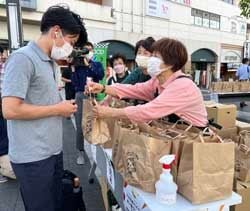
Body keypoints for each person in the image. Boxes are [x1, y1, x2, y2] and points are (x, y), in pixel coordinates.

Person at [1, 5, 87, 211]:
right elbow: (10, 109)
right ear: (56, 31)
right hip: (33, 158)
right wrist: (58, 109)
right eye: (71, 41)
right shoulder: (23, 58)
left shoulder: (49, 62)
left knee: (55, 204)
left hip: (51, 153)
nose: (70, 48)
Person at [86, 38, 208, 127]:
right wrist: (103, 87)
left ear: (171, 63)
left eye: (156, 57)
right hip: (178, 134)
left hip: (194, 138)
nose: (151, 60)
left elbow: (148, 110)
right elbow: (134, 89)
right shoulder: (157, 80)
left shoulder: (182, 86)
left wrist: (112, 112)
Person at [71, 41, 104, 165]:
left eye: (89, 50)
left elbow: (99, 76)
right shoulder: (78, 65)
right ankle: (80, 151)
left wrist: (89, 64)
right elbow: (74, 83)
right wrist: (73, 69)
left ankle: (97, 152)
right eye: (85, 50)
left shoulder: (97, 64)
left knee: (93, 124)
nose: (87, 52)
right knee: (80, 125)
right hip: (80, 95)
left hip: (92, 96)